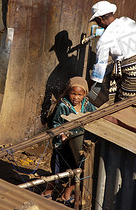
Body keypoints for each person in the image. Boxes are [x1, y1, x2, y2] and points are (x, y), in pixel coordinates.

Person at [89, 0, 136, 101]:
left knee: (123, 104)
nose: (99, 25)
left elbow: (99, 70)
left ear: (100, 19)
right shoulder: (128, 21)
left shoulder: (104, 39)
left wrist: (89, 88)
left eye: (97, 22)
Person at [43, 76, 96, 205]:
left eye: (79, 94)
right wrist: (61, 134)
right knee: (58, 172)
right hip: (63, 145)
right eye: (73, 93)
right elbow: (55, 123)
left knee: (76, 170)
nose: (75, 97)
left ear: (84, 94)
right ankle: (47, 192)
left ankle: (66, 195)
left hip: (77, 145)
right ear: (68, 92)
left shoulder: (87, 105)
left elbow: (95, 116)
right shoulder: (63, 105)